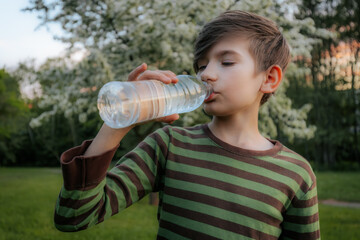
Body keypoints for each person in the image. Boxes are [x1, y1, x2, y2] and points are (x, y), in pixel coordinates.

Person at [54, 10, 320, 239]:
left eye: (226, 62)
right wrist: (120, 121)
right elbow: (74, 215)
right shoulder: (170, 145)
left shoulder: (296, 174)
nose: (206, 74)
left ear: (270, 78)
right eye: (201, 66)